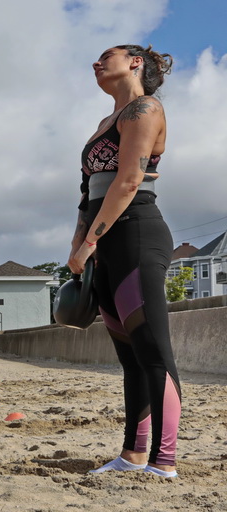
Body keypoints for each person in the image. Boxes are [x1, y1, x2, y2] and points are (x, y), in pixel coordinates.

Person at [68, 45, 179, 478]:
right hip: (105, 242)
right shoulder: (103, 124)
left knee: (154, 353)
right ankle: (132, 456)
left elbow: (130, 180)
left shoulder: (145, 109)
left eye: (106, 55)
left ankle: (164, 461)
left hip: (136, 233)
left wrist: (89, 242)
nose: (96, 62)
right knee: (130, 360)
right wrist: (79, 242)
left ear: (135, 62)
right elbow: (86, 193)